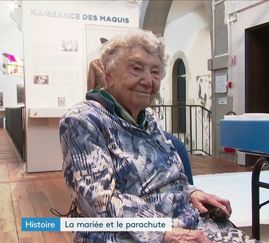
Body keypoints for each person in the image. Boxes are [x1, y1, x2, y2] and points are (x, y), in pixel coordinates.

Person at [59, 30, 258, 242]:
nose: (148, 81)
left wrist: (189, 193)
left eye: (155, 72)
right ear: (108, 75)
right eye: (136, 69)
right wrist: (166, 233)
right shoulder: (83, 120)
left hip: (185, 221)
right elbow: (99, 201)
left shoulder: (148, 117)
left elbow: (164, 176)